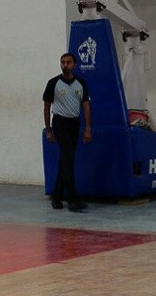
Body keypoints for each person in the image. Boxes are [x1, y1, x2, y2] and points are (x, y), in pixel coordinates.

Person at [43, 52, 92, 213]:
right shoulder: (53, 83)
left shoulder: (81, 83)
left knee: (65, 160)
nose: (65, 65)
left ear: (74, 65)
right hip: (60, 123)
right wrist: (49, 130)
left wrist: (87, 128)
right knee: (68, 160)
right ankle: (72, 199)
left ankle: (57, 197)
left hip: (74, 123)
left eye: (68, 62)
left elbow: (85, 106)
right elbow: (47, 106)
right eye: (63, 62)